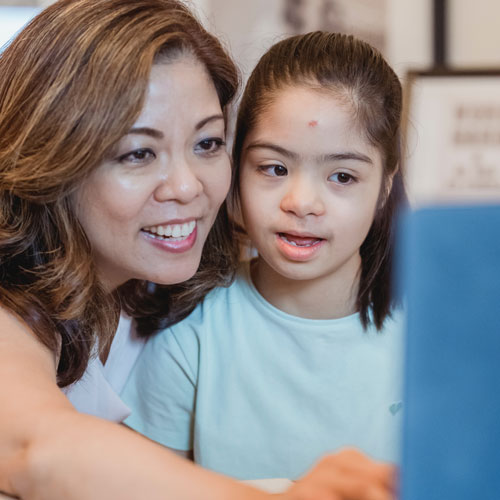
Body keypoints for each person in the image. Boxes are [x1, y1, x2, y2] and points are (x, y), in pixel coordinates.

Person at [0, 3, 393, 499]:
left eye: (207, 143)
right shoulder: (12, 302)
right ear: (51, 159)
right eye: (139, 153)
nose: (188, 187)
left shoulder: (152, 285)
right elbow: (36, 450)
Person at [123, 30, 407, 487]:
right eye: (274, 168)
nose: (302, 201)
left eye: (342, 176)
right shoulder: (190, 333)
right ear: (236, 166)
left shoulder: (437, 335)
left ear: (385, 185)